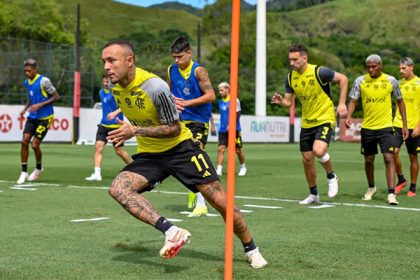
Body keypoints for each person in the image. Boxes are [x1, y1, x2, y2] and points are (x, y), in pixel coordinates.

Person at [101, 40, 267, 268]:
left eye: (112, 60)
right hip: (150, 154)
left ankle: (251, 248)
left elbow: (174, 128)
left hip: (181, 149)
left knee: (221, 202)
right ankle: (171, 231)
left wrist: (134, 130)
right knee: (118, 188)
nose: (106, 67)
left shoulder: (154, 86)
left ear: (129, 61)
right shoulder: (117, 88)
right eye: (104, 62)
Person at [271, 44, 348, 204]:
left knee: (318, 150)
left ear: (304, 58)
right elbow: (288, 101)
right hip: (307, 122)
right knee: (307, 160)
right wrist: (281, 102)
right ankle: (313, 194)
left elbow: (343, 79)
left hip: (325, 118)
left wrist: (341, 104)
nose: (292, 63)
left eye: (295, 59)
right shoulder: (291, 78)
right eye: (290, 60)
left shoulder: (319, 71)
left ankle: (331, 176)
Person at [346, 54, 408, 205]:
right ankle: (371, 187)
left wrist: (405, 124)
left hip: (386, 127)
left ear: (381, 65)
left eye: (374, 66)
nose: (371, 69)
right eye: (368, 67)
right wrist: (349, 115)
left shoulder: (391, 80)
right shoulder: (360, 81)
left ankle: (391, 193)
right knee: (368, 160)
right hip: (367, 128)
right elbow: (353, 100)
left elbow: (400, 102)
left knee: (389, 158)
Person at [166, 36, 215, 217]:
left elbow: (210, 96)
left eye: (180, 57)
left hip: (199, 121)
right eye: (174, 57)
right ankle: (194, 191)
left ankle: (201, 204)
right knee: (179, 160)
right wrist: (172, 100)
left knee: (195, 156)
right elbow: (167, 92)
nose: (177, 61)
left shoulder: (199, 71)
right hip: (179, 121)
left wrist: (187, 102)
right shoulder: (171, 70)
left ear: (189, 53)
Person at [17, 59, 60, 184]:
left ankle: (38, 168)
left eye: (29, 71)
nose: (27, 73)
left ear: (35, 69)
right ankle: (24, 172)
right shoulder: (27, 82)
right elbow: (31, 98)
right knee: (24, 142)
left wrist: (40, 105)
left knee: (34, 144)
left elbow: (56, 97)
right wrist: (25, 109)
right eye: (25, 71)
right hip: (32, 117)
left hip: (45, 118)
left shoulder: (44, 81)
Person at [85, 74, 132, 181]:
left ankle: (135, 168)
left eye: (107, 81)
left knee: (119, 151)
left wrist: (115, 113)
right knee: (98, 147)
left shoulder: (117, 92)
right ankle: (97, 174)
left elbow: (125, 105)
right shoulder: (101, 92)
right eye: (104, 82)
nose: (106, 83)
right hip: (103, 125)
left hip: (116, 126)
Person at [393, 57, 420, 197]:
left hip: (414, 126)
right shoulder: (398, 84)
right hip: (398, 124)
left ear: (411, 67)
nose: (401, 71)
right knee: (393, 152)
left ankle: (413, 186)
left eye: (404, 68)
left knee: (413, 157)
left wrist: (418, 127)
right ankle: (401, 179)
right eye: (400, 68)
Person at [213, 82, 247, 177]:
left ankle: (243, 167)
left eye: (222, 90)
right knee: (221, 149)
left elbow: (238, 114)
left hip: (235, 129)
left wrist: (231, 125)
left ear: (227, 89)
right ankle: (219, 169)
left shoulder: (234, 100)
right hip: (223, 130)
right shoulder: (220, 102)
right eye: (219, 90)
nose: (220, 92)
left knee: (237, 150)